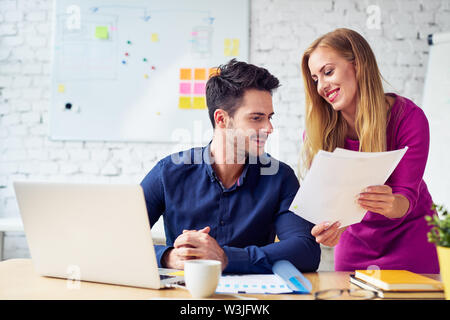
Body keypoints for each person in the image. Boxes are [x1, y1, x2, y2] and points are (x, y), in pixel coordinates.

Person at [141, 59, 320, 273]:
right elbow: (118, 238)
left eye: (269, 118)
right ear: (222, 119)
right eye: (256, 118)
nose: (269, 128)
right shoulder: (169, 172)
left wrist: (226, 257)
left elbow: (306, 250)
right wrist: (167, 257)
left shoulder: (280, 177)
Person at [300, 28, 439, 273]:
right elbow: (333, 207)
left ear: (358, 64)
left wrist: (389, 203)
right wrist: (332, 229)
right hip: (357, 247)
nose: (321, 86)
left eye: (328, 72)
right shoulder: (319, 133)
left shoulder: (409, 118)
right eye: (315, 79)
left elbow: (405, 198)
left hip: (413, 240)